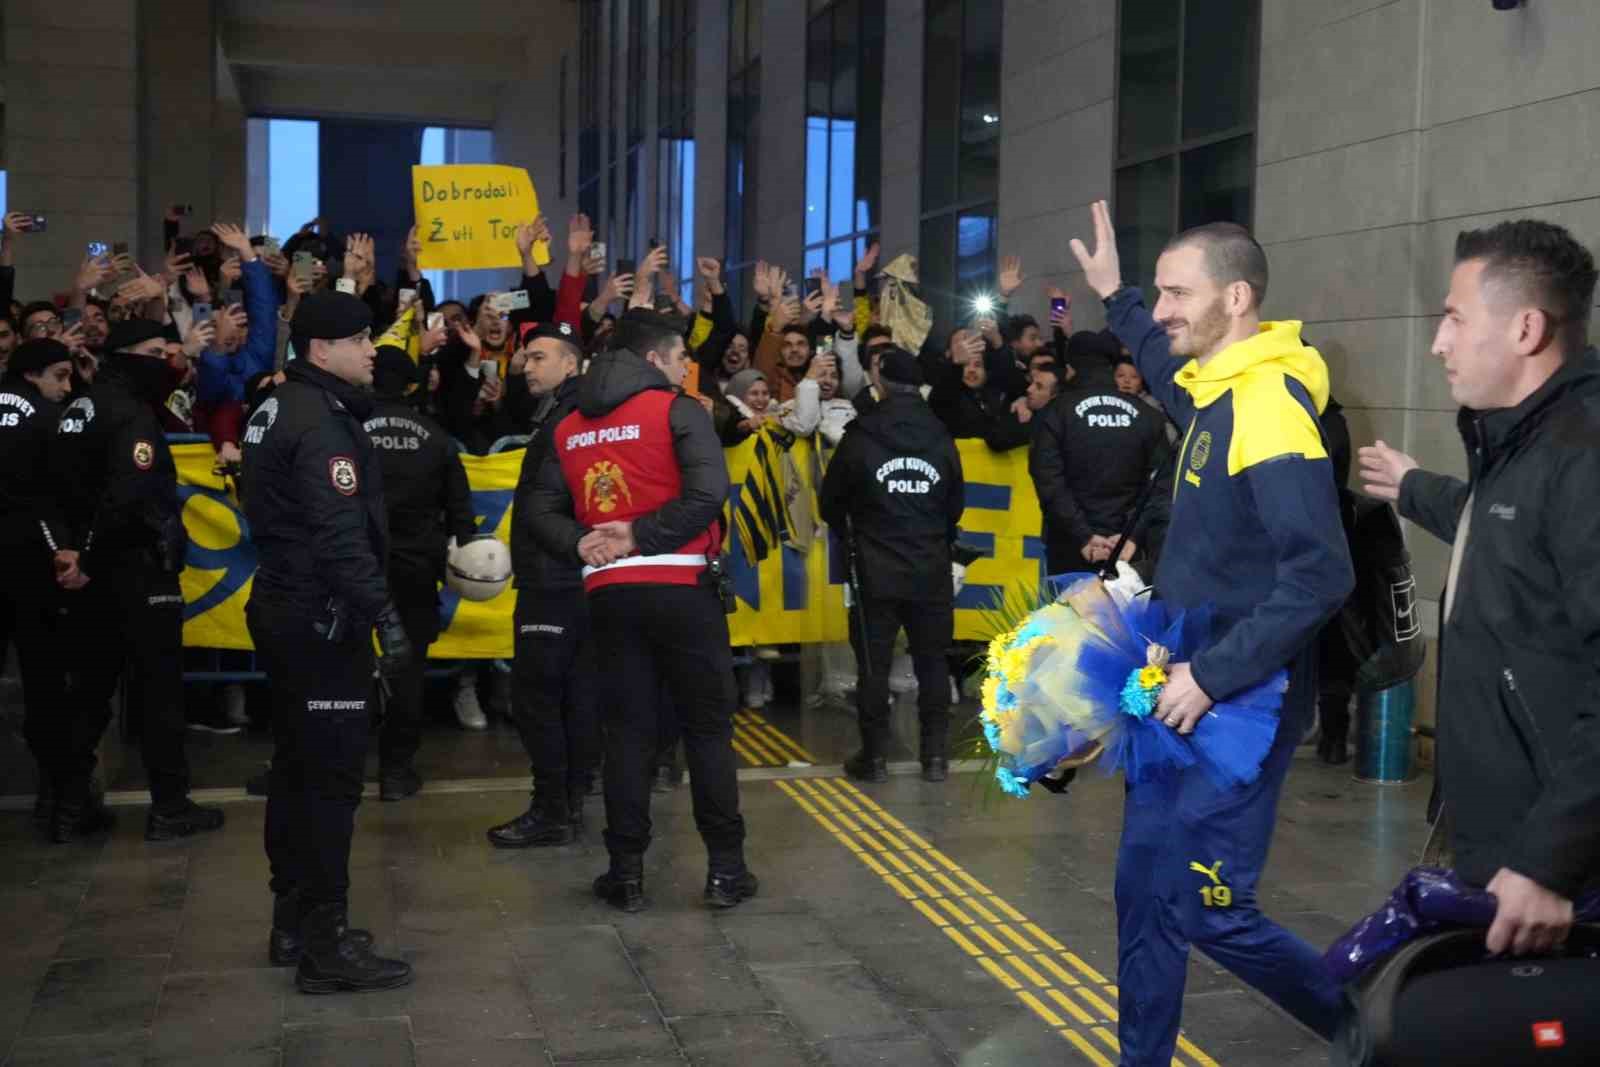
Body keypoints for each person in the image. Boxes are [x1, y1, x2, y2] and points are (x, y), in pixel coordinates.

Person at [1069, 200, 1354, 1064]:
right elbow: (1159, 359)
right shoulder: (1216, 387)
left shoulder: (1268, 406)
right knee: (1143, 891)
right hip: (1182, 685)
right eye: (1157, 293)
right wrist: (1117, 294)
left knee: (1206, 906)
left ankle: (1374, 1026)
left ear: (1236, 299)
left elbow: (1321, 573)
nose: (1161, 314)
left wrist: (1213, 674)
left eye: (1175, 293)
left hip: (1235, 698)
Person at [1359, 219, 1600, 957]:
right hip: (1509, 838)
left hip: (1560, 867)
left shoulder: (1584, 451)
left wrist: (1547, 860)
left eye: (1456, 318)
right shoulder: (1523, 441)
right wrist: (1413, 488)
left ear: (1526, 328)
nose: (1438, 341)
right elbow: (1502, 528)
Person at [528, 308, 755, 913]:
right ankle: (726, 870)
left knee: (626, 732)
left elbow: (538, 510)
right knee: (706, 729)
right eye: (682, 357)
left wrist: (584, 542)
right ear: (655, 358)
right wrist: (643, 534)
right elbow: (709, 494)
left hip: (608, 594)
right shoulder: (676, 410)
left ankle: (625, 873)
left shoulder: (568, 424)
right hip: (684, 588)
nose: (686, 369)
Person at [241, 290, 412, 993]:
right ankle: (325, 943)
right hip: (320, 615)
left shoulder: (279, 406)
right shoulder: (320, 422)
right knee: (331, 781)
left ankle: (294, 919)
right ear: (321, 350)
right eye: (361, 338)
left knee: (296, 768)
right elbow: (339, 532)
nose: (373, 349)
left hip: (286, 606)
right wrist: (384, 614)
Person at [52, 320, 227, 842]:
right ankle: (170, 807)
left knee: (88, 694)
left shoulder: (80, 407)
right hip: (133, 569)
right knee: (158, 694)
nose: (166, 360)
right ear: (127, 356)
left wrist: (75, 555)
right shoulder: (129, 414)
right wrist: (90, 555)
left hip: (88, 572)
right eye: (155, 352)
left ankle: (69, 807)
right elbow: (127, 497)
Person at [819, 347, 965, 783]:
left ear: (880, 380)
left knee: (873, 667)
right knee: (933, 663)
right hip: (930, 566)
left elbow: (830, 503)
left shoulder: (862, 434)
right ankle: (935, 757)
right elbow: (955, 505)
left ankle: (875, 758)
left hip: (874, 568)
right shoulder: (940, 435)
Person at [489, 320, 602, 848]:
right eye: (526, 357)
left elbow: (553, 503)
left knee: (537, 696)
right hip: (569, 574)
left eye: (538, 357)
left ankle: (553, 807)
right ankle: (570, 797)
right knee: (575, 694)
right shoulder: (564, 413)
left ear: (571, 363)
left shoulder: (569, 418)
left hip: (555, 577)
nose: (526, 365)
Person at [363, 345, 476, 801]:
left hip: (354, 565)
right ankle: (395, 771)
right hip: (414, 567)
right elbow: (462, 514)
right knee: (407, 671)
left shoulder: (346, 431)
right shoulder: (436, 437)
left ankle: (339, 766)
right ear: (411, 384)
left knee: (344, 666)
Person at [0, 340, 95, 836]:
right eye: (59, 375)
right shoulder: (45, 420)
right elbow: (48, 499)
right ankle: (58, 800)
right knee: (46, 686)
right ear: (33, 375)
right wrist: (64, 548)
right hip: (30, 570)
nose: (67, 386)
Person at [1029, 333, 1171, 578]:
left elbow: (1048, 481)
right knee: (1125, 617)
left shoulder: (1055, 413)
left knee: (1066, 616)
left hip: (1070, 547)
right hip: (1128, 551)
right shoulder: (1148, 415)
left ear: (1071, 368)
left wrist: (1083, 535)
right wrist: (1132, 537)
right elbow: (1161, 484)